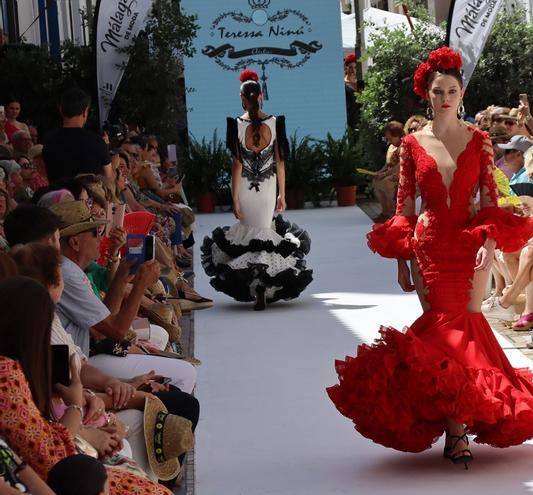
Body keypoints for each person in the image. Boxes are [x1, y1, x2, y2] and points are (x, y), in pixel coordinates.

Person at [327, 47, 533, 467]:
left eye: (452, 90)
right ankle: (455, 432)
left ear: (461, 93)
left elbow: (489, 198)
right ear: (428, 95)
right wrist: (402, 260)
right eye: (439, 91)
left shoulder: (481, 140)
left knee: (466, 328)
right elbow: (404, 209)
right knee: (443, 335)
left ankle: (458, 427)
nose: (446, 97)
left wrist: (489, 245)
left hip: (471, 244)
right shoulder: (413, 145)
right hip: (429, 246)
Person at [0, 276, 172, 494]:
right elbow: (50, 455)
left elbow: (40, 437)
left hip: (65, 453)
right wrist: (78, 408)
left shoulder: (15, 367)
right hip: (63, 471)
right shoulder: (6, 374)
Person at [201, 69, 313, 310]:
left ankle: (257, 284)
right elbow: (281, 161)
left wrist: (234, 199)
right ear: (260, 96)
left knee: (250, 234)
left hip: (245, 188)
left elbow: (236, 166)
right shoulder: (275, 122)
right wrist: (282, 192)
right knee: (263, 233)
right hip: (267, 188)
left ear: (242, 98)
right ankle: (262, 283)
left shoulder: (236, 125)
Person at [42, 88, 112, 183]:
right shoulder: (97, 142)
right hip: (89, 196)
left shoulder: (48, 140)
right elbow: (108, 178)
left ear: (61, 110)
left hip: (56, 195)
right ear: (84, 112)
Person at [372, 121, 405, 220]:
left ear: (398, 135)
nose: (389, 140)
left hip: (400, 174)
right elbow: (387, 164)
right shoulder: (391, 147)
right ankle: (385, 211)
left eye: (390, 138)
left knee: (387, 182)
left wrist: (385, 174)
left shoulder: (404, 146)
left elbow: (400, 164)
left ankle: (393, 213)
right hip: (390, 173)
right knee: (376, 181)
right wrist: (380, 172)